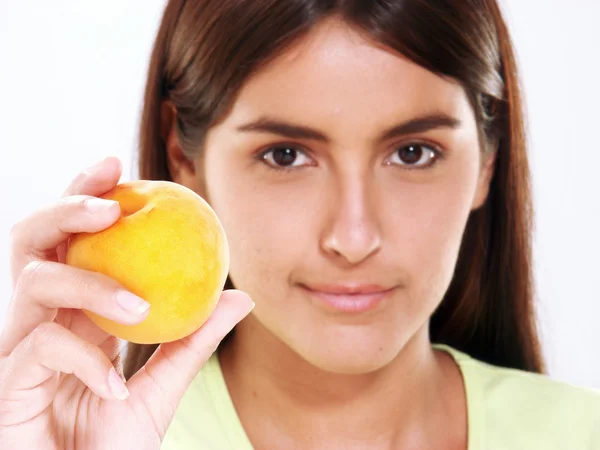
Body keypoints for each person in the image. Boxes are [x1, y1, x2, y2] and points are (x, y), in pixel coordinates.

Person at [1, 0, 599, 448]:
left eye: (413, 153)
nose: (353, 237)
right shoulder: (87, 437)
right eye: (286, 155)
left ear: (487, 162)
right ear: (185, 158)